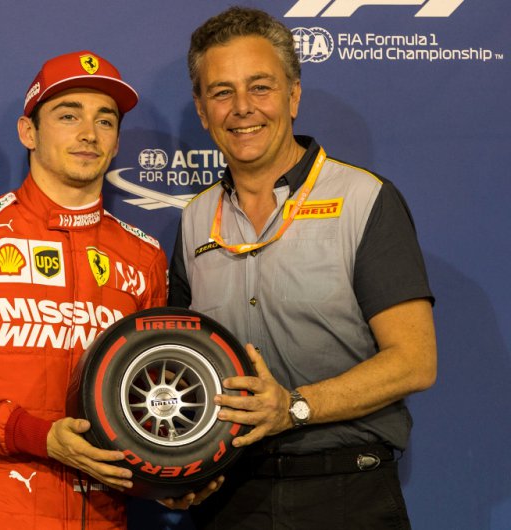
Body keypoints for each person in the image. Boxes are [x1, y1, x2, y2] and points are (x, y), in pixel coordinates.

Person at [168, 7, 437, 529]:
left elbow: (415, 361)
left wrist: (293, 407)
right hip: (228, 496)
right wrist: (173, 472)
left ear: (293, 96)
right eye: (222, 92)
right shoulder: (194, 218)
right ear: (202, 110)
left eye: (260, 87)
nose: (242, 108)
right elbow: (181, 359)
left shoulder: (364, 199)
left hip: (346, 493)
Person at [0, 50, 169, 529]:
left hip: (105, 518)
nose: (89, 133)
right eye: (68, 116)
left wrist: (175, 480)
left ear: (116, 143)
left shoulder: (144, 256)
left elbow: (148, 400)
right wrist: (37, 435)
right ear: (29, 132)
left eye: (105, 120)